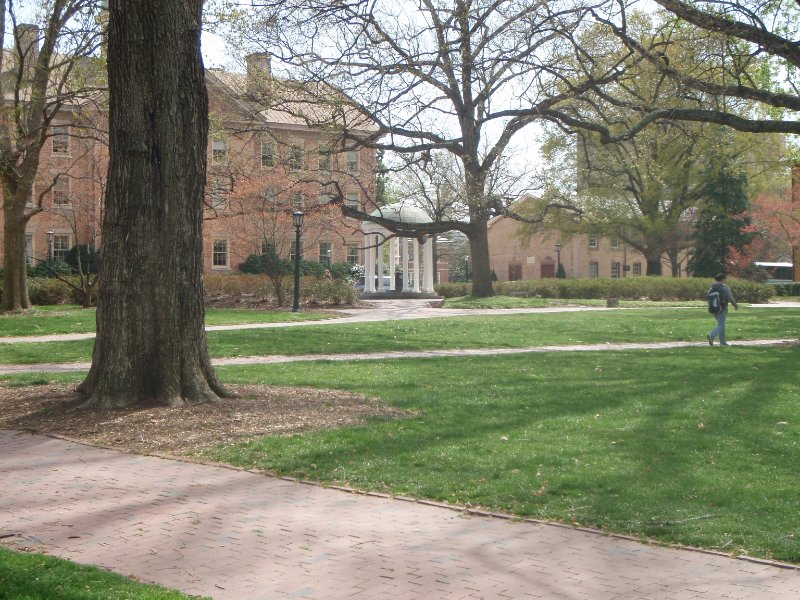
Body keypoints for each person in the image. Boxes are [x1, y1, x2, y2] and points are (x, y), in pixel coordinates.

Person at [707, 273, 739, 346]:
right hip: (722, 308)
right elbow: (730, 298)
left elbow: (708, 298)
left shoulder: (711, 287)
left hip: (713, 308)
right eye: (725, 279)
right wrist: (735, 305)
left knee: (721, 325)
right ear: (723, 279)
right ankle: (711, 335)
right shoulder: (724, 287)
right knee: (721, 325)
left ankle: (723, 342)